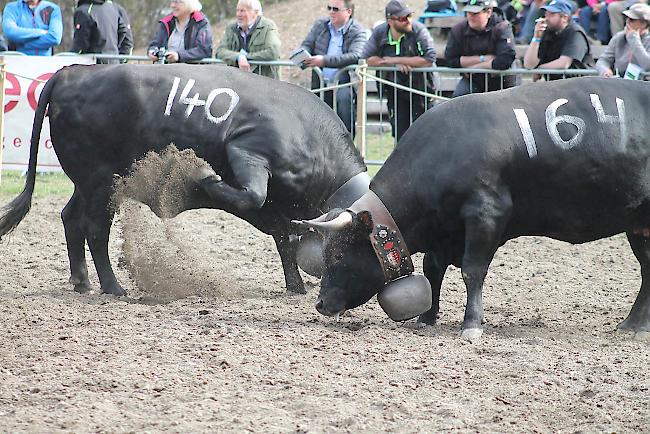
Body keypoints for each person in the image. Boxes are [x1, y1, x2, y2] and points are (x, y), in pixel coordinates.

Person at [362, 0, 437, 140]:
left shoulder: (419, 29)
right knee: (400, 136)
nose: (408, 20)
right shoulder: (380, 32)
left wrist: (394, 60)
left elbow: (429, 58)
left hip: (422, 90)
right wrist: (392, 65)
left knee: (425, 137)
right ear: (390, 21)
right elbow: (365, 59)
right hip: (394, 90)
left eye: (409, 16)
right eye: (403, 18)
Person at [299, 0, 367, 134]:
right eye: (329, 8)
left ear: (349, 12)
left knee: (344, 124)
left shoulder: (358, 31)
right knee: (318, 126)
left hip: (345, 84)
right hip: (321, 82)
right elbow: (307, 44)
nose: (331, 12)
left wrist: (324, 61)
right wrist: (302, 54)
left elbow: (356, 55)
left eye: (335, 9)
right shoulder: (320, 25)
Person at [445, 0, 517, 97]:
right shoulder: (458, 30)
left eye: (475, 13)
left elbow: (505, 60)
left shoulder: (502, 27)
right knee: (457, 101)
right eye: (469, 12)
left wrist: (474, 68)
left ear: (488, 12)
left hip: (503, 81)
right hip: (473, 80)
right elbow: (450, 59)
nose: (471, 16)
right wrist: (483, 59)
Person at [523, 0, 593, 80]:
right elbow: (529, 65)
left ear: (564, 18)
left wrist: (539, 69)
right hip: (556, 87)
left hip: (580, 86)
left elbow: (564, 63)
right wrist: (536, 38)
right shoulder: (547, 32)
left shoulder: (576, 33)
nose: (546, 18)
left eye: (551, 15)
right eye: (546, 14)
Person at [216, 0, 281, 79]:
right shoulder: (231, 28)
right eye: (237, 10)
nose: (239, 14)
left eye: (243, 11)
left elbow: (273, 51)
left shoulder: (268, 26)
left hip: (265, 81)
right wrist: (239, 57)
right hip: (238, 81)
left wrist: (246, 57)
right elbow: (220, 51)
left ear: (256, 13)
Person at [148, 0, 212, 63]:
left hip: (193, 71)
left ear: (189, 3)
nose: (172, 5)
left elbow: (204, 50)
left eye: (177, 1)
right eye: (172, 1)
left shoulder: (201, 22)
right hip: (166, 70)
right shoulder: (167, 22)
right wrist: (152, 51)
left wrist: (179, 56)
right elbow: (155, 44)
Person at [596, 3, 650, 76]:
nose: (627, 22)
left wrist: (634, 39)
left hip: (642, 83)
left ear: (644, 23)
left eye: (631, 19)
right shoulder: (619, 37)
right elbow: (603, 60)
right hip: (619, 82)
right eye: (626, 18)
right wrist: (604, 70)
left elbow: (647, 65)